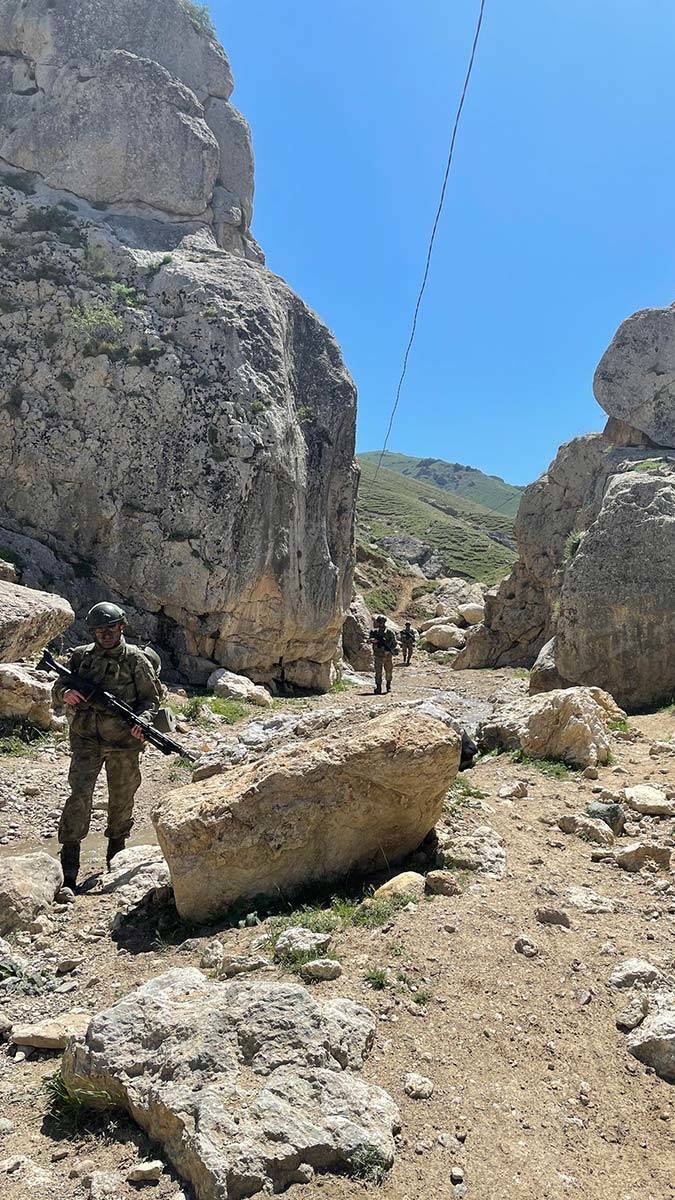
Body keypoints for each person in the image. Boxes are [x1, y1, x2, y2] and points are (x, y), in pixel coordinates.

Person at [53, 602, 163, 891]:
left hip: (124, 743)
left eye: (110, 629)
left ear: (121, 627)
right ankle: (69, 868)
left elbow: (151, 699)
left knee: (122, 800)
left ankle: (116, 860)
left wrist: (143, 720)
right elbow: (58, 686)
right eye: (99, 630)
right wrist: (66, 693)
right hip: (86, 740)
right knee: (78, 797)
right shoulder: (80, 657)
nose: (105, 635)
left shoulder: (136, 660)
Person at [368, 615, 399, 695]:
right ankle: (378, 688)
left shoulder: (389, 632)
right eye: (379, 622)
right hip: (378, 655)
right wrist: (372, 641)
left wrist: (389, 650)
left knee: (388, 671)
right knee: (378, 672)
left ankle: (388, 686)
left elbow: (394, 643)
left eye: (382, 622)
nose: (381, 624)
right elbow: (368, 640)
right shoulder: (375, 632)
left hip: (387, 655)